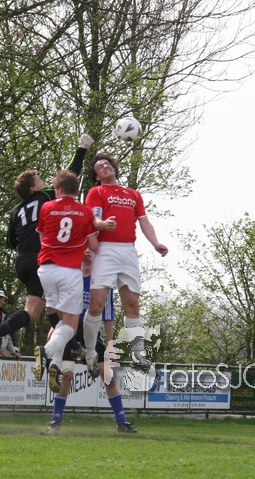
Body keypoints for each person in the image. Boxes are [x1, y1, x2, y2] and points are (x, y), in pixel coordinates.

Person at [0, 133, 92, 357]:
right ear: (33, 189)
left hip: (22, 262)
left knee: (50, 305)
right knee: (33, 312)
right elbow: (69, 177)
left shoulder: (15, 211)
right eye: (40, 180)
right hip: (40, 260)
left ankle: (72, 346)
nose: (45, 182)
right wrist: (81, 150)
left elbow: (10, 241)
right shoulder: (44, 197)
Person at [80, 153, 167, 375]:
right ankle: (90, 352)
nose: (105, 166)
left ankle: (138, 356)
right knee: (96, 305)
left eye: (107, 163)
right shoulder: (97, 192)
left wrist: (156, 243)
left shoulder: (133, 194)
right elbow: (93, 220)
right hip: (105, 251)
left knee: (133, 305)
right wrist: (102, 224)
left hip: (128, 251)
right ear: (97, 176)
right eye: (100, 166)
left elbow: (144, 221)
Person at [45, 272, 134, 434]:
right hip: (70, 331)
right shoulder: (70, 276)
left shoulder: (102, 281)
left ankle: (121, 422)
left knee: (108, 376)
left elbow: (108, 316)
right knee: (67, 376)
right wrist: (55, 327)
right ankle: (55, 420)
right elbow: (58, 306)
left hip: (91, 332)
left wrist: (110, 345)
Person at [34, 170, 99, 386]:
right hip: (69, 271)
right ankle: (46, 351)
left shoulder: (46, 207)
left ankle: (55, 362)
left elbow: (42, 237)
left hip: (46, 269)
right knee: (71, 325)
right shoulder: (85, 212)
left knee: (59, 321)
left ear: (59, 189)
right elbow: (93, 245)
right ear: (77, 191)